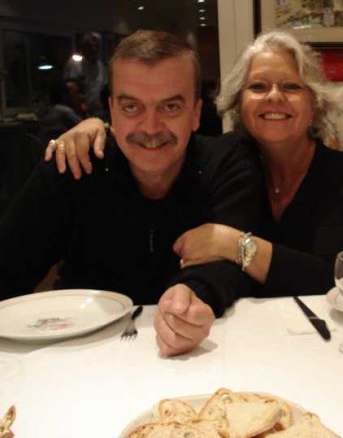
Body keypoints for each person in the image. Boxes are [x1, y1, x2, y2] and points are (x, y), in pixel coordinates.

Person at [45, 30, 343, 297]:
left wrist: (235, 244)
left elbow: (342, 282)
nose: (274, 97)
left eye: (291, 87)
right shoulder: (226, 161)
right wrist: (100, 127)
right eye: (258, 86)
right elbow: (157, 139)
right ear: (239, 103)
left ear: (314, 102)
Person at [0, 30, 259, 356]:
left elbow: (224, 264)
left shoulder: (225, 164)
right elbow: (8, 267)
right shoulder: (73, 165)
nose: (150, 128)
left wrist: (192, 296)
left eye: (170, 106)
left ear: (195, 113)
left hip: (199, 354)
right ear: (111, 111)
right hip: (76, 356)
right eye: (131, 107)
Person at [63, 32, 108, 116]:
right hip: (77, 113)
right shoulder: (74, 64)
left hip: (97, 112)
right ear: (83, 47)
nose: (93, 49)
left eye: (97, 46)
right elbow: (68, 91)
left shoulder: (101, 67)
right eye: (90, 46)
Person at [38, 78, 88, 144]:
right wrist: (84, 111)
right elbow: (87, 129)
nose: (82, 96)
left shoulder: (52, 108)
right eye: (77, 93)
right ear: (64, 95)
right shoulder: (64, 111)